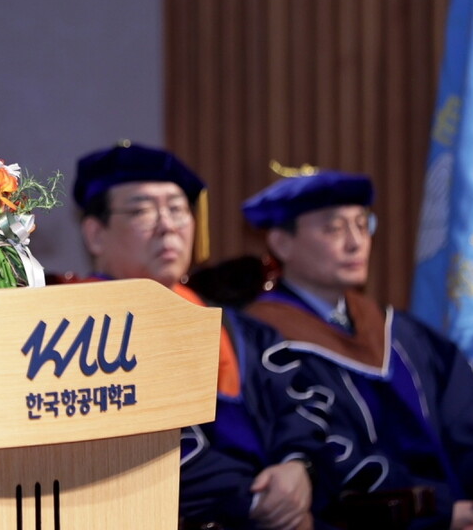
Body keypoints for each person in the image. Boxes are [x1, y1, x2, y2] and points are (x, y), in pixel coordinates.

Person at [242, 168, 473, 530]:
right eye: (334, 229)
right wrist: (442, 511)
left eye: (363, 224)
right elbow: (322, 451)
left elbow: (465, 416)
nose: (356, 242)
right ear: (282, 243)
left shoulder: (399, 331)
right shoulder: (265, 342)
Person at [73, 143, 334, 530]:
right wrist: (255, 501)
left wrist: (297, 468)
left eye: (178, 209)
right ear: (95, 234)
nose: (168, 226)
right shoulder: (79, 335)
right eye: (142, 210)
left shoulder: (240, 329)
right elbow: (137, 450)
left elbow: (301, 402)